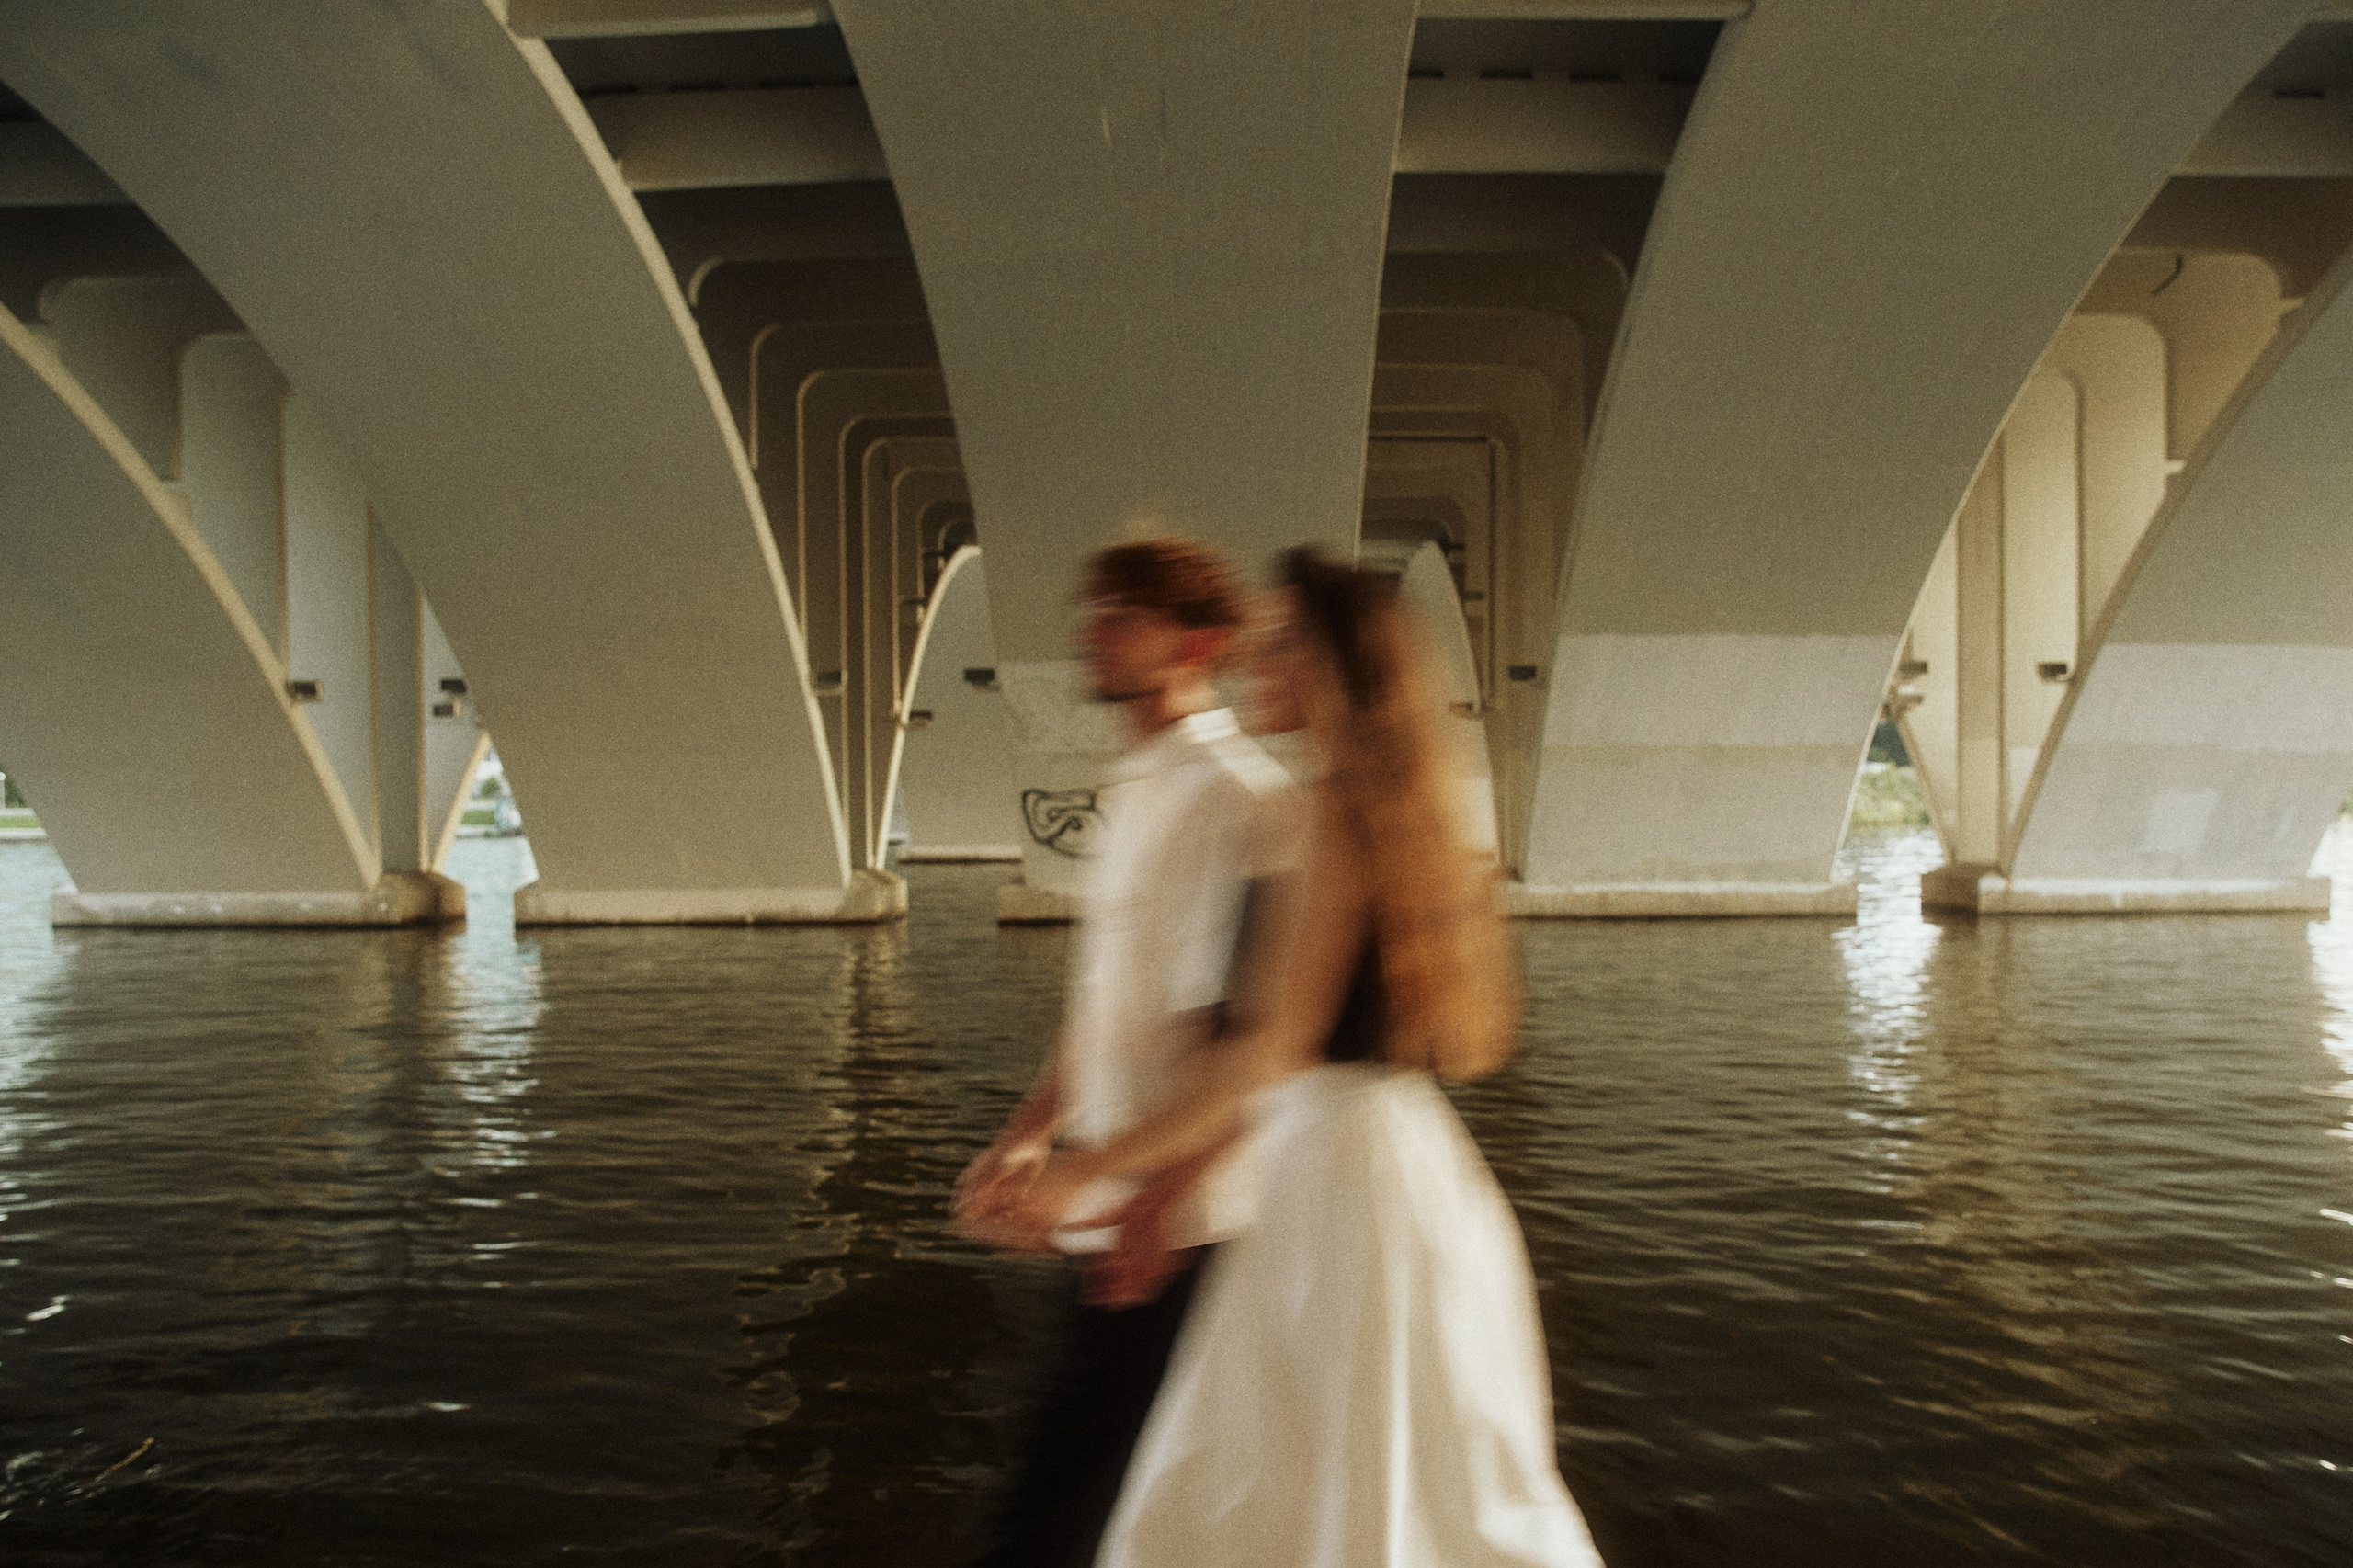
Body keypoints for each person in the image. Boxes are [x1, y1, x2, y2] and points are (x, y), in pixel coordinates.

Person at [1006, 547, 1606, 1567]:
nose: (1255, 664)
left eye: (1282, 645)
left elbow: (1263, 1054)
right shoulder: (1396, 804)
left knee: (1294, 1474)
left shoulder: (1329, 812)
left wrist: (1087, 1168)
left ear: (1333, 662)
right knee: (1398, 1473)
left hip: (1326, 1183)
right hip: (1401, 1166)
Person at [953, 535, 1295, 1568]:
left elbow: (1238, 1043)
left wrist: (1159, 1197)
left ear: (1199, 642)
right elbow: (1107, 995)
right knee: (1109, 1494)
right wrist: (1029, 1131)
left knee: (1070, 1493)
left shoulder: (1230, 796)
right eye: (1094, 607)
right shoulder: (1140, 782)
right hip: (1118, 1195)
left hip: (1178, 1220)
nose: (1088, 631)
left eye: (1120, 613)